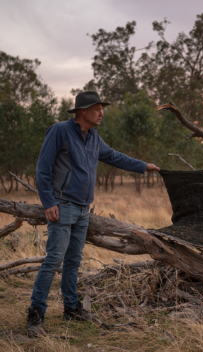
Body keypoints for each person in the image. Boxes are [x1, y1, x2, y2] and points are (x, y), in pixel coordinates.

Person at [26, 91, 159, 337]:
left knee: (74, 261)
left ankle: (71, 308)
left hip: (82, 209)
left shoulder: (95, 138)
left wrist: (143, 166)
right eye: (97, 108)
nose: (102, 113)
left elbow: (114, 157)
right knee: (54, 259)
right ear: (82, 111)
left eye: (101, 108)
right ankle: (35, 315)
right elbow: (43, 168)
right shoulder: (59, 131)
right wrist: (48, 203)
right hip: (62, 205)